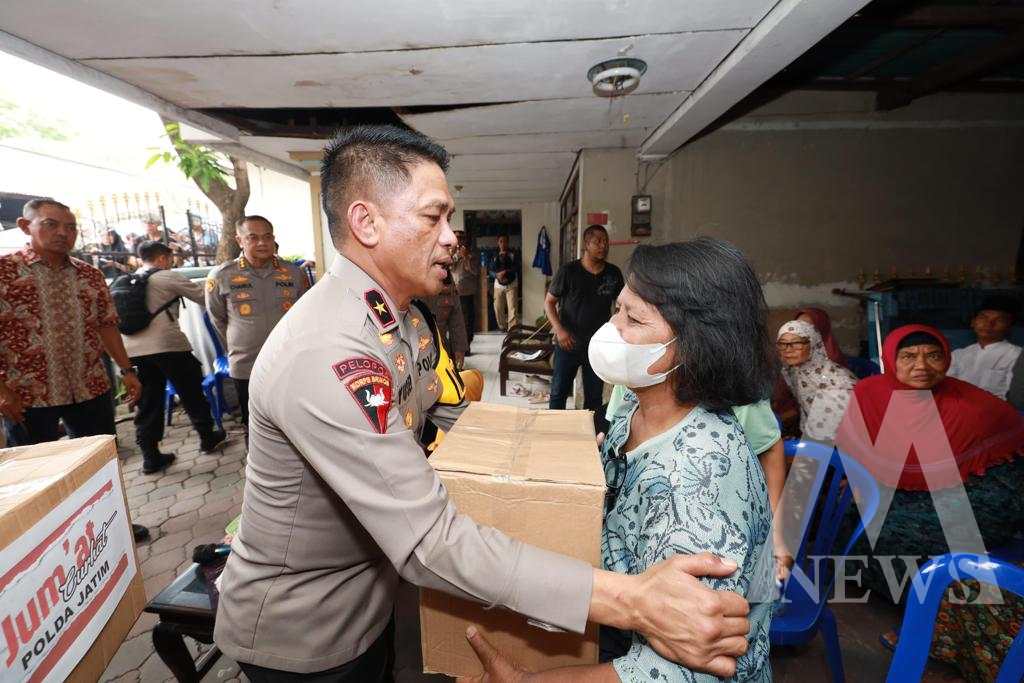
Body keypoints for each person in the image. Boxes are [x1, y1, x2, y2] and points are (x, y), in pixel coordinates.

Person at [214, 126, 752, 681]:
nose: (452, 237)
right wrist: (631, 601)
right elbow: (428, 541)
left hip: (367, 596)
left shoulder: (396, 319)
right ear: (366, 223)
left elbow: (449, 414)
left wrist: (553, 447)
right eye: (433, 217)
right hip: (305, 628)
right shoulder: (328, 352)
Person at [464, 238, 776, 682]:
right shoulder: (636, 402)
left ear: (691, 347)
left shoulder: (697, 480)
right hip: (617, 624)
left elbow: (678, 674)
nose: (611, 326)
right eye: (618, 309)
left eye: (633, 318)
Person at [835, 324, 1024, 603]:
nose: (921, 365)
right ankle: (880, 587)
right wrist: (859, 481)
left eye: (933, 356)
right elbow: (854, 440)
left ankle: (925, 612)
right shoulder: (870, 392)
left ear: (946, 360)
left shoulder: (973, 407)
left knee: (899, 534)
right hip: (913, 489)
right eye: (908, 356)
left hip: (982, 493)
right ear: (890, 361)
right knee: (848, 515)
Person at [0, 198, 147, 541]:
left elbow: (107, 325)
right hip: (28, 394)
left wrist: (127, 370)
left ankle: (111, 528)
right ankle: (49, 541)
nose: (63, 234)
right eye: (51, 224)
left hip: (89, 386)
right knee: (38, 476)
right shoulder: (5, 273)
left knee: (99, 465)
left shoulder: (89, 274)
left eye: (70, 227)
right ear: (26, 227)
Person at [121, 240, 226, 474]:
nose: (170, 263)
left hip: (134, 352)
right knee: (191, 392)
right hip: (168, 346)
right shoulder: (167, 277)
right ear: (161, 259)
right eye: (169, 259)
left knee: (148, 401)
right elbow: (206, 298)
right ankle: (208, 437)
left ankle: (150, 455)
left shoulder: (129, 280)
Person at [205, 215, 309, 440]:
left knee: (294, 418)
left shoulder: (294, 273)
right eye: (253, 237)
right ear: (239, 240)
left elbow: (306, 315)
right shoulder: (221, 276)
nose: (262, 243)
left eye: (267, 237)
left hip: (289, 361)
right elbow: (217, 319)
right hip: (246, 364)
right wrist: (238, 345)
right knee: (253, 423)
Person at [545, 225, 624, 415]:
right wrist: (560, 331)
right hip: (568, 343)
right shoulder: (568, 271)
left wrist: (615, 326)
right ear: (586, 244)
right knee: (558, 393)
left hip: (597, 346)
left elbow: (622, 305)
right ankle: (552, 436)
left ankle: (590, 439)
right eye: (598, 241)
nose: (603, 246)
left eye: (606, 242)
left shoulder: (613, 273)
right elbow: (549, 303)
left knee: (594, 397)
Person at [777, 320, 857, 441]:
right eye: (782, 344)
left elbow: (840, 431)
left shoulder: (838, 382)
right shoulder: (793, 371)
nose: (788, 350)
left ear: (813, 343)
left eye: (797, 343)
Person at [947, 295, 1021, 400]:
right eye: (983, 318)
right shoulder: (958, 355)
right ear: (973, 322)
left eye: (999, 320)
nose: (989, 324)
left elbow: (1014, 397)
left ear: (1009, 327)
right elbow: (947, 388)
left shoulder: (1017, 355)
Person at [423, 274, 467, 369]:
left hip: (440, 352)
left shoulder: (446, 279)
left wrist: (459, 349)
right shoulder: (411, 279)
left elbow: (457, 322)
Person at [451, 228, 479, 349]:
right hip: (454, 292)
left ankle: (467, 344)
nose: (459, 240)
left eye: (461, 238)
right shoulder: (450, 253)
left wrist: (466, 257)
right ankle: (460, 346)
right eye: (457, 238)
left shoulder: (472, 254)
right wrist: (456, 255)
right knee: (457, 321)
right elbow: (449, 268)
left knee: (468, 320)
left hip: (468, 292)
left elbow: (475, 271)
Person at [489, 233, 518, 331]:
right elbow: (490, 270)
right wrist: (497, 275)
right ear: (498, 243)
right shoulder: (494, 255)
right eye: (501, 241)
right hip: (498, 285)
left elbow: (516, 268)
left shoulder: (513, 254)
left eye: (505, 241)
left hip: (511, 284)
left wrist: (506, 272)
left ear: (508, 243)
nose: (503, 243)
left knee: (512, 309)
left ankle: (512, 329)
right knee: (497, 308)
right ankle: (502, 327)